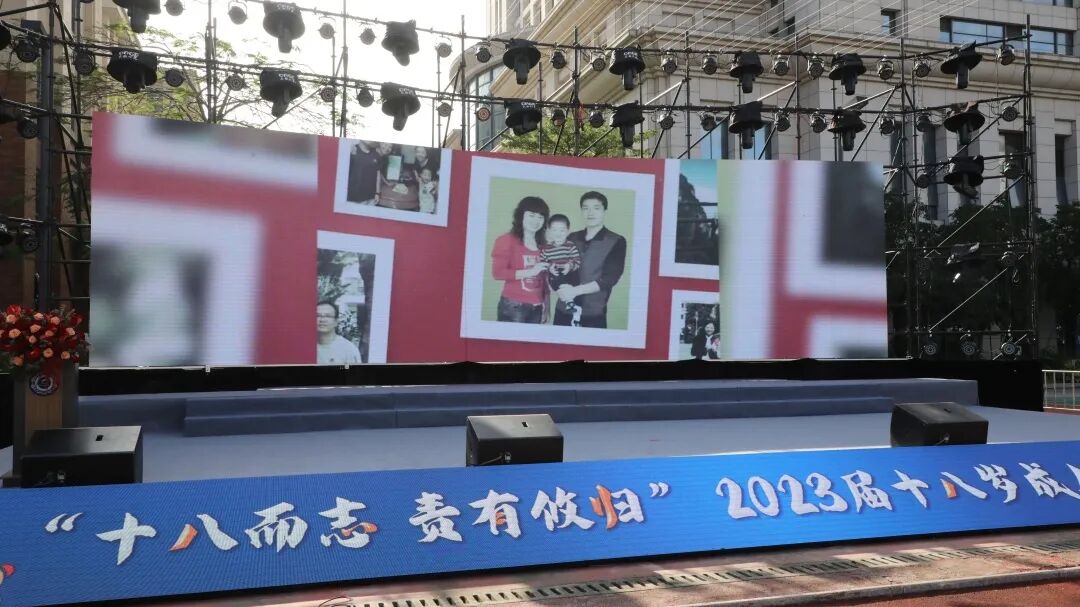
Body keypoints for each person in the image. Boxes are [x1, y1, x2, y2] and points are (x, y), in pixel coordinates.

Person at [553, 191, 627, 328]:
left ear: (604, 211)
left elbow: (610, 278)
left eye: (596, 208)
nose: (590, 213)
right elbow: (557, 266)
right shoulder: (571, 237)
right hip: (563, 311)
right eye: (585, 208)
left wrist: (575, 291)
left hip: (593, 315)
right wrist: (560, 288)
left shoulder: (616, 240)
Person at [491, 196, 550, 323]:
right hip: (514, 306)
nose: (536, 221)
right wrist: (530, 272)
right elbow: (498, 273)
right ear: (520, 215)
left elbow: (544, 279)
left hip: (538, 307)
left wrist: (546, 305)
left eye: (540, 217)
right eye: (531, 215)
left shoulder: (543, 245)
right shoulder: (506, 240)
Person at [539, 214, 583, 326]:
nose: (558, 234)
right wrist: (550, 267)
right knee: (554, 280)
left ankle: (572, 304)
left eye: (562, 230)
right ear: (549, 231)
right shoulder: (546, 248)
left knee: (573, 279)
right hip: (556, 274)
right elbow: (542, 261)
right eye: (554, 230)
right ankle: (572, 305)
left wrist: (569, 265)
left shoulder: (570, 245)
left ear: (568, 231)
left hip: (570, 274)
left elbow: (577, 260)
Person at [346, 140, 380, 205]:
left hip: (371, 199)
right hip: (353, 199)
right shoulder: (352, 150)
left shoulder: (376, 154)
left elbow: (378, 175)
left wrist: (377, 193)